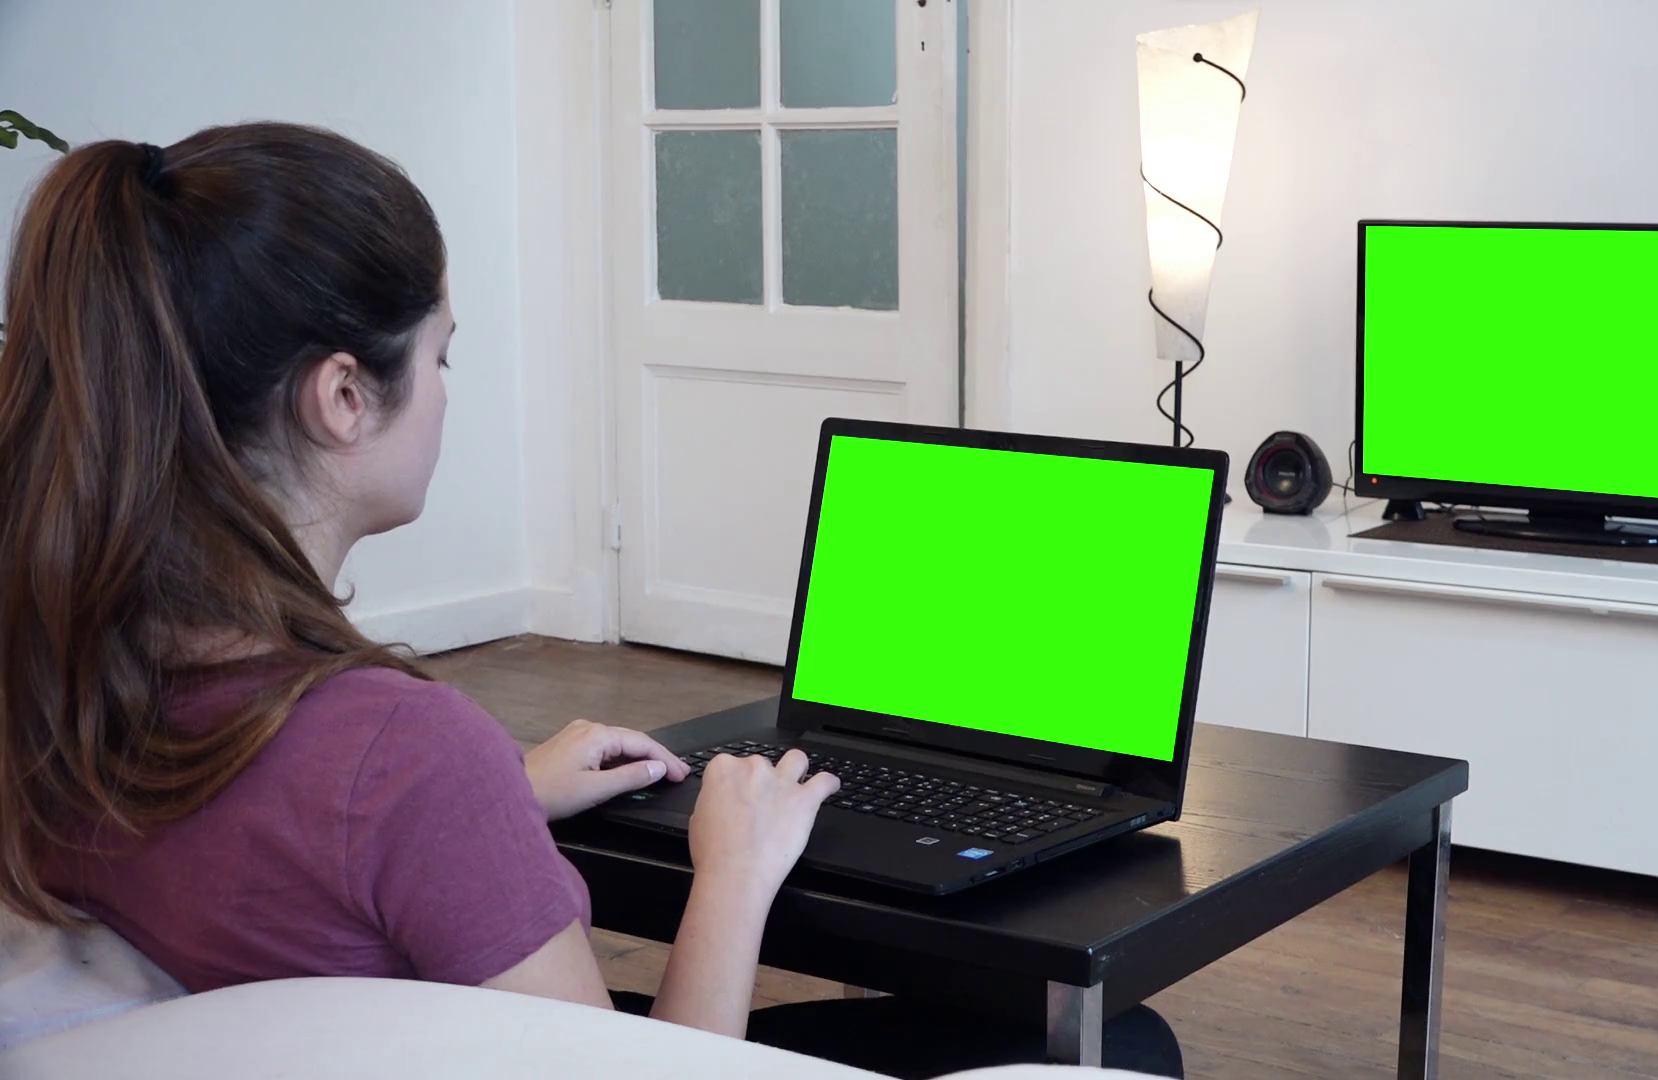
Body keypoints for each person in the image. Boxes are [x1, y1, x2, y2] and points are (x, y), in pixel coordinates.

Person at [0, 123, 1180, 1078]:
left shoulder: (68, 670)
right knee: (1128, 1044)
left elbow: (285, 854)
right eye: (443, 354)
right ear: (344, 396)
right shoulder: (402, 752)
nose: (449, 393)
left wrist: (492, 806)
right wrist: (733, 871)